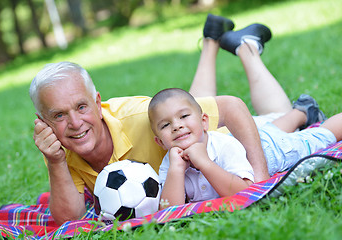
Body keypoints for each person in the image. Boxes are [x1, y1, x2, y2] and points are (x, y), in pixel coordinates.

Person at [30, 14, 293, 224]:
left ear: (98, 104)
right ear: (44, 121)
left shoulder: (139, 117)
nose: (75, 123)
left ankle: (246, 47)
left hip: (221, 147)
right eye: (59, 115)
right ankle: (212, 39)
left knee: (279, 119)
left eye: (82, 107)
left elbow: (232, 108)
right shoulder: (58, 145)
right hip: (189, 138)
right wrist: (55, 162)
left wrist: (259, 182)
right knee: (188, 107)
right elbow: (70, 220)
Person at [148, 88, 341, 209]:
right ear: (159, 142)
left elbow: (246, 192)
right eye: (165, 125)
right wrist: (176, 169)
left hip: (271, 152)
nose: (176, 126)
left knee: (318, 137)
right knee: (271, 131)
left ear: (204, 121)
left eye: (184, 116)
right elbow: (169, 211)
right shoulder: (170, 162)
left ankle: (306, 116)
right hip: (257, 137)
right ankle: (301, 111)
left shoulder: (224, 147)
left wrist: (204, 163)